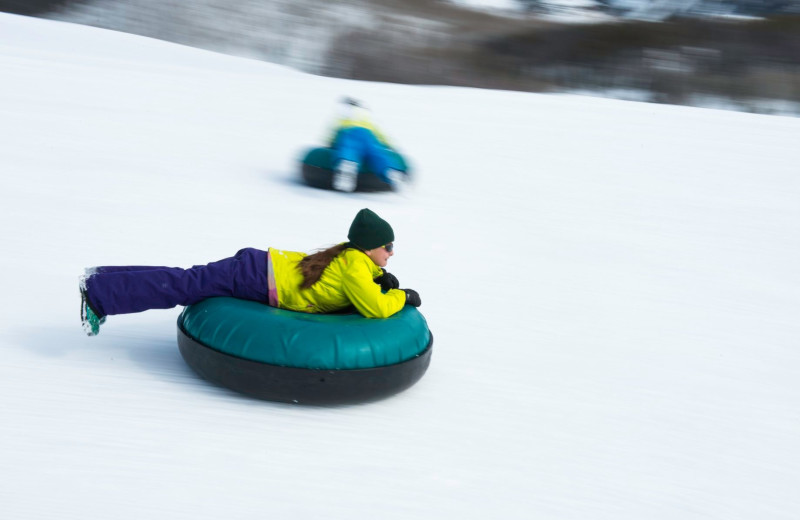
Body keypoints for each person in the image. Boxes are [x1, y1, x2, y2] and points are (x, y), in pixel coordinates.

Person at [79, 208, 422, 336]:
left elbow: (353, 286)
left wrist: (381, 280)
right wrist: (402, 296)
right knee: (184, 285)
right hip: (257, 277)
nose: (392, 253)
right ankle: (98, 294)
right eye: (388, 247)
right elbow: (375, 308)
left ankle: (103, 278)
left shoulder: (352, 258)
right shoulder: (355, 268)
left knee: (187, 279)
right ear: (370, 247)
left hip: (260, 268)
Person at [328, 97, 407, 192]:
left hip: (349, 132)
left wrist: (330, 143)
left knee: (349, 149)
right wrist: (389, 145)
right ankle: (390, 171)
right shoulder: (367, 118)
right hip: (368, 135)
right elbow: (380, 135)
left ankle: (347, 165)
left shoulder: (344, 114)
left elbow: (334, 130)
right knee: (377, 153)